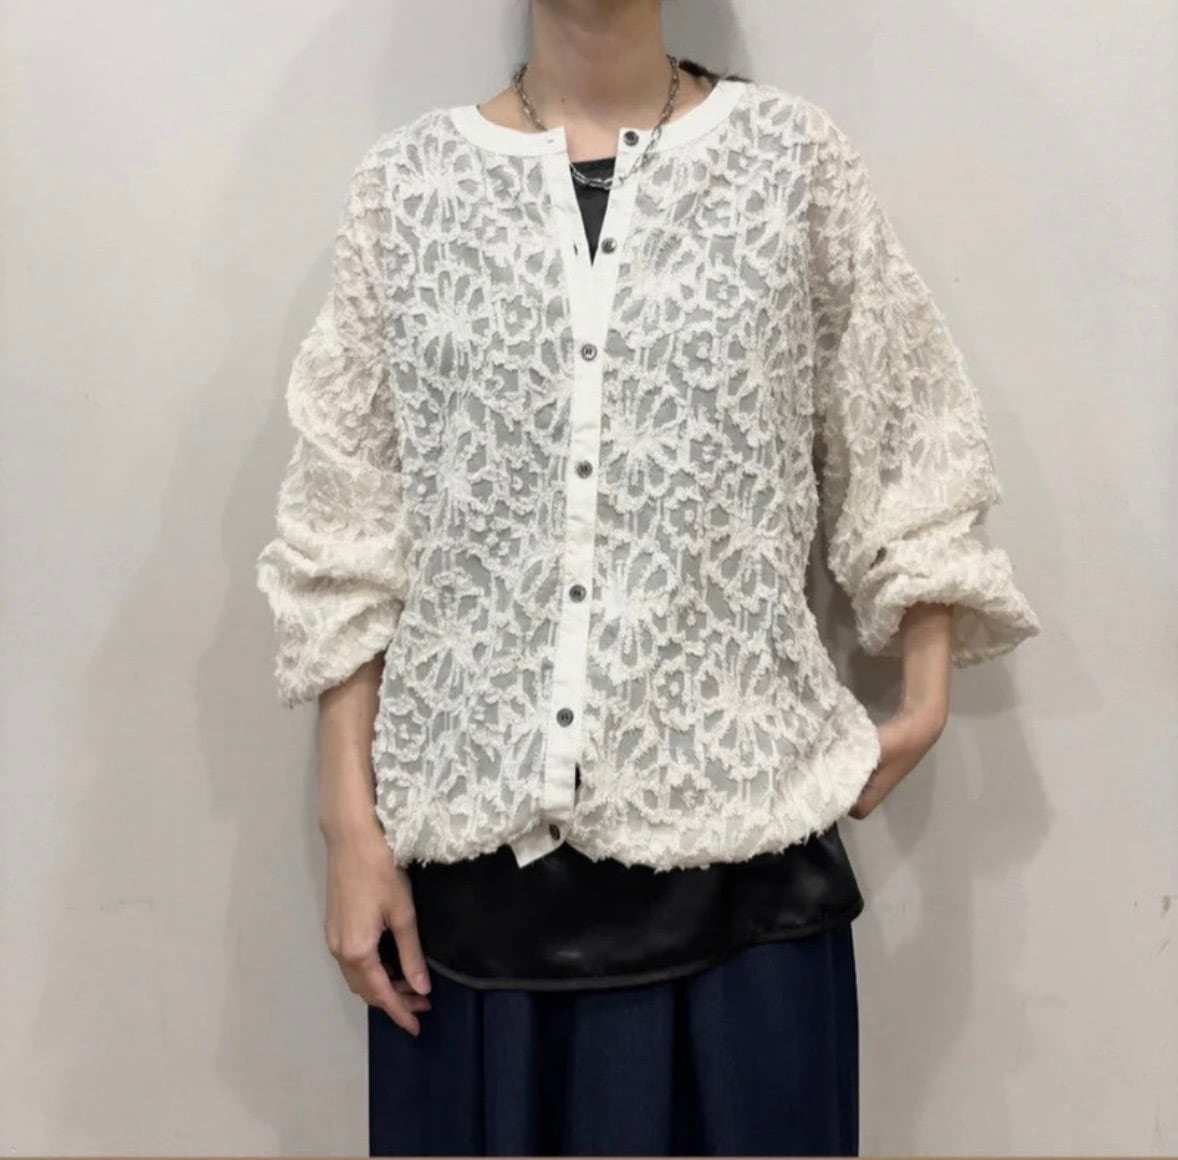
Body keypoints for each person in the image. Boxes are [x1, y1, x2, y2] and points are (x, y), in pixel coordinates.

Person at [255, 1, 1042, 1155]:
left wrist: (922, 694)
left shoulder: (789, 163)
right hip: (470, 903)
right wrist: (346, 822)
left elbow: (906, 422)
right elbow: (350, 517)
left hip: (749, 888)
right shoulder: (407, 188)